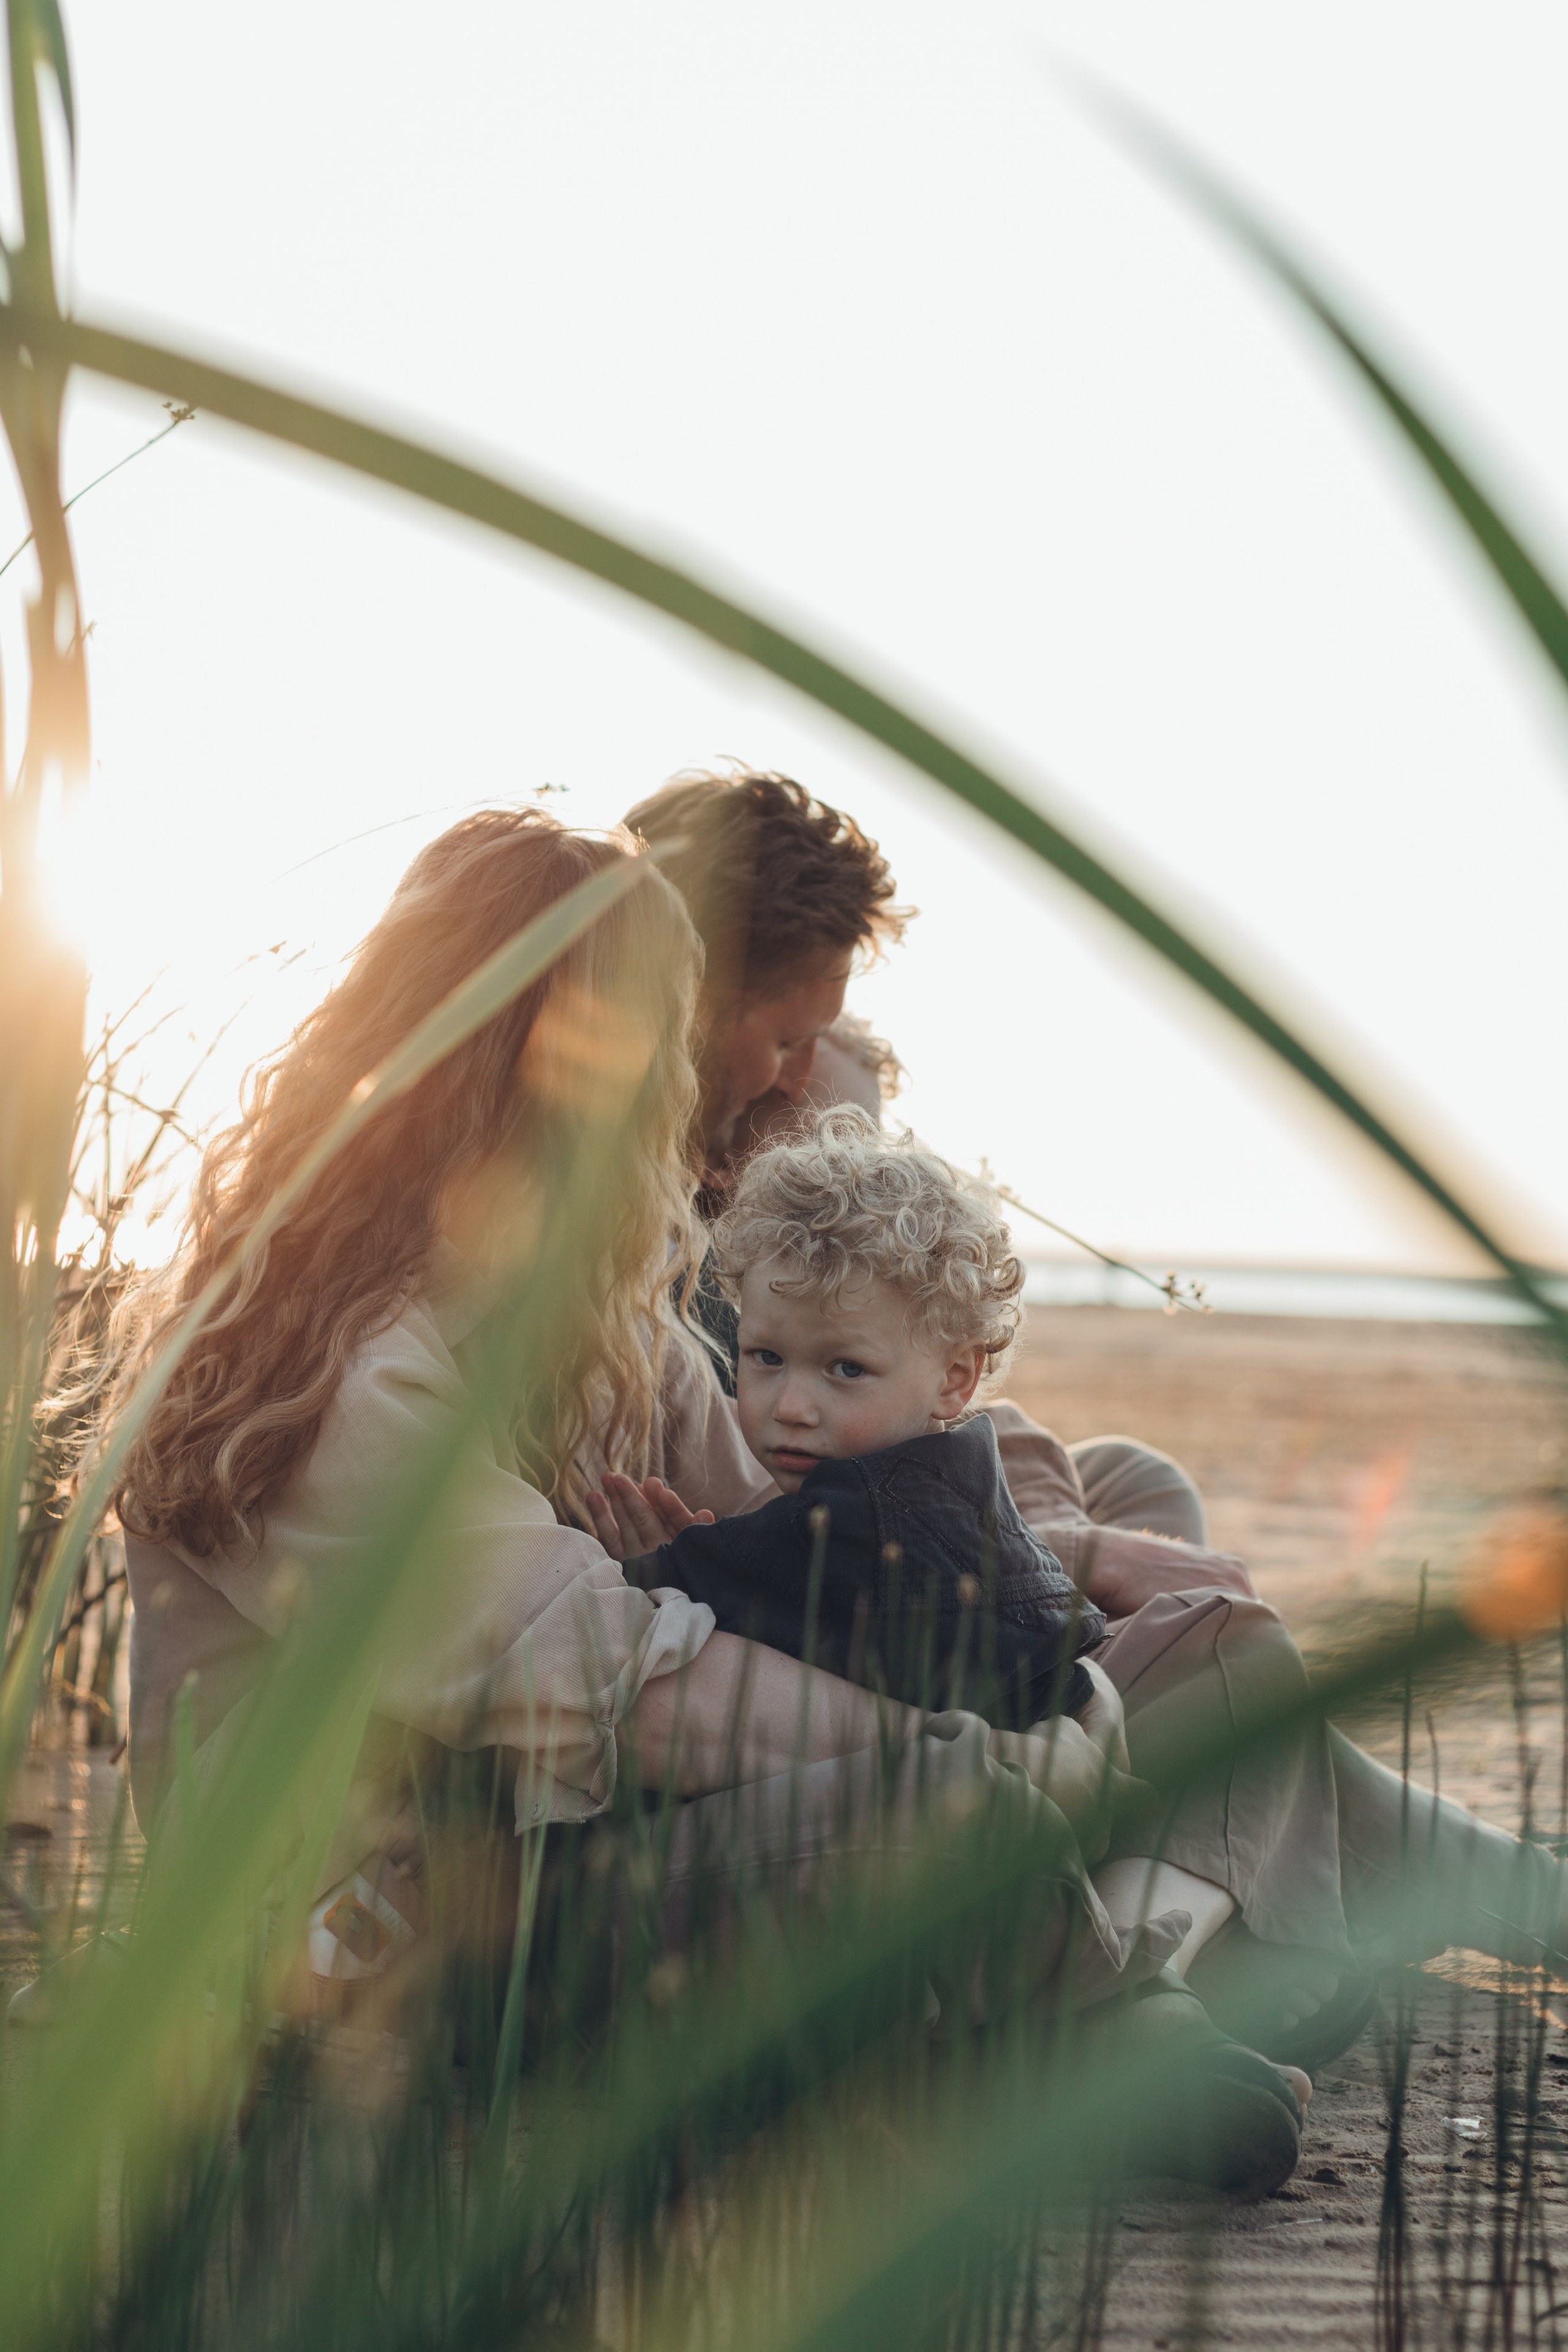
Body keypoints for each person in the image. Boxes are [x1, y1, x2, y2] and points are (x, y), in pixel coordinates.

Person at [72, 805, 1568, 2204]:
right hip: (417, 1933)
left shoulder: (581, 1304)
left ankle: (1117, 1995)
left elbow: (828, 1534)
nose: (711, 1089)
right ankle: (1118, 2017)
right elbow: (641, 1698)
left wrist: (1055, 1612)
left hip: (628, 1828)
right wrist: (1003, 1747)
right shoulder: (346, 1368)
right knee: (956, 1795)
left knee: (1203, 1646)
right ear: (543, 1062)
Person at [586, 1109, 1115, 1732]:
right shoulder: (964, 1483)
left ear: (955, 1379)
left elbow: (635, 1614)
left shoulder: (847, 1520)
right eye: (766, 1358)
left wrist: (662, 1566)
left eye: (845, 1369)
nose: (790, 1407)